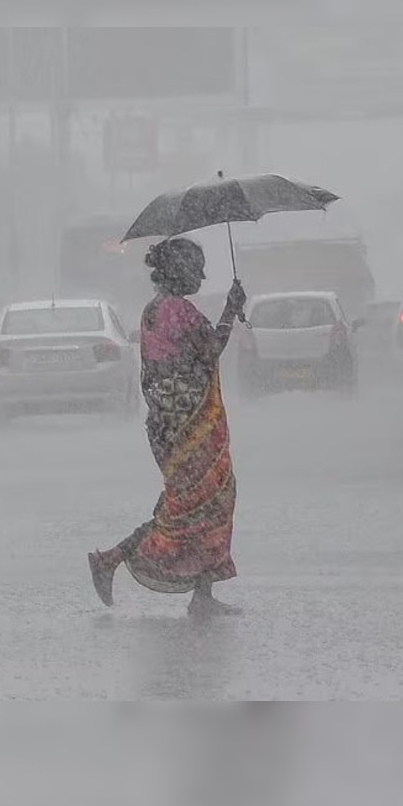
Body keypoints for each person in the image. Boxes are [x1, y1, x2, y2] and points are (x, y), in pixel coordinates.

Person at [88, 237, 247, 618]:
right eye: (197, 267)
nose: (203, 274)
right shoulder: (179, 310)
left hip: (165, 425)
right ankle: (111, 559)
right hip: (186, 427)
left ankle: (201, 593)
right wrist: (230, 310)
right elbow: (210, 351)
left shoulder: (154, 310)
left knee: (198, 504)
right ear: (180, 270)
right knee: (197, 506)